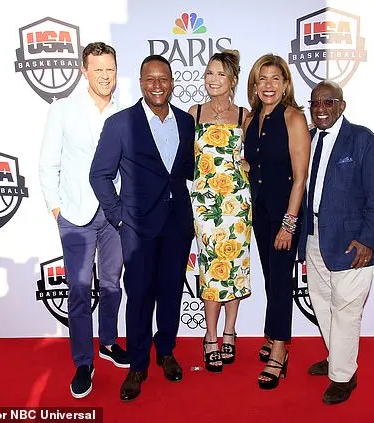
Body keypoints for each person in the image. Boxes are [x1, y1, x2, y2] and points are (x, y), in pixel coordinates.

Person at [89, 55, 195, 402]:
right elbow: (99, 175)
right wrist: (119, 217)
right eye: (150, 80)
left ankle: (165, 350)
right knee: (138, 299)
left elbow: (188, 172)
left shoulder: (184, 121)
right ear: (140, 82)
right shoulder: (121, 123)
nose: (157, 86)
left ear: (172, 82)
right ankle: (137, 365)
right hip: (136, 227)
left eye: (163, 79)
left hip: (177, 223)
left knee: (170, 292)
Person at [38, 42, 129, 400]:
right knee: (78, 290)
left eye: (110, 69)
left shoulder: (126, 111)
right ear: (84, 71)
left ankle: (107, 342)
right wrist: (57, 210)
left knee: (111, 284)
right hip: (75, 214)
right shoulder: (63, 110)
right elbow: (48, 163)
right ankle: (82, 361)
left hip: (114, 215)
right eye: (98, 70)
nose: (105, 76)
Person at [297, 80, 374, 405]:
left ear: (342, 105)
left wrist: (368, 240)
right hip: (314, 235)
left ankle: (342, 376)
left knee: (346, 309)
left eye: (328, 102)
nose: (321, 109)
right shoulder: (307, 139)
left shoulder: (362, 139)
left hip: (353, 242)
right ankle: (338, 356)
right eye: (315, 103)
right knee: (322, 303)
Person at [243, 54, 310, 389]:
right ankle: (273, 334)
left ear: (285, 84)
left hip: (285, 213)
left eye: (274, 79)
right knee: (272, 278)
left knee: (282, 281)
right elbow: (252, 164)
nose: (268, 85)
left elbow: (300, 178)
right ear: (255, 85)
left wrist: (289, 223)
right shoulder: (252, 119)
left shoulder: (294, 118)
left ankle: (280, 350)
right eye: (262, 79)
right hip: (260, 213)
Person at [188, 50, 251, 373]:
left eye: (220, 75)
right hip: (205, 205)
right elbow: (182, 162)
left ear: (232, 81)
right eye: (209, 73)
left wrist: (250, 165)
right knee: (212, 267)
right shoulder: (193, 113)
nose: (213, 80)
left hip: (238, 205)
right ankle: (210, 336)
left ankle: (230, 331)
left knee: (235, 268)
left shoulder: (245, 115)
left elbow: (260, 154)